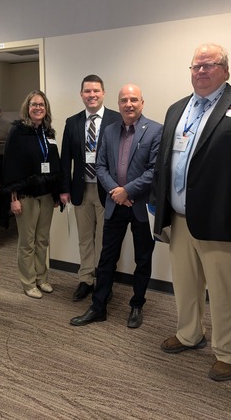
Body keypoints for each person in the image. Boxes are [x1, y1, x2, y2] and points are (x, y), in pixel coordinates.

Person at [149, 43, 231, 381]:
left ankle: (230, 353)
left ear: (225, 70)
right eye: (196, 66)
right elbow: (164, 161)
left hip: (225, 219)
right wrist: (159, 204)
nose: (201, 71)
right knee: (185, 285)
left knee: (225, 293)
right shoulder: (177, 109)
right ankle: (189, 334)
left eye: (209, 65)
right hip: (180, 219)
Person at [70, 84, 162, 328]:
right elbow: (100, 166)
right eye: (124, 100)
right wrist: (116, 191)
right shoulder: (109, 130)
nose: (128, 104)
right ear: (118, 103)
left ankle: (137, 304)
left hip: (141, 206)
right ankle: (98, 306)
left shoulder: (155, 130)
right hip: (114, 203)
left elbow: (154, 170)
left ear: (142, 102)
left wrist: (127, 191)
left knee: (143, 258)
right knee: (107, 258)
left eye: (133, 99)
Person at [60, 75, 122, 302]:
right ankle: (86, 279)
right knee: (85, 238)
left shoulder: (117, 119)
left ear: (103, 93)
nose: (92, 95)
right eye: (87, 91)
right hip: (81, 189)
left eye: (96, 91)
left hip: (108, 190)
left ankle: (104, 281)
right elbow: (65, 159)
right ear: (81, 94)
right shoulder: (72, 122)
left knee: (106, 240)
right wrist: (64, 189)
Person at [2, 90, 61, 299]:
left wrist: (56, 192)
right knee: (27, 241)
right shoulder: (18, 132)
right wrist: (13, 198)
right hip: (25, 194)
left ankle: (42, 279)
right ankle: (28, 282)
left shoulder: (48, 132)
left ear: (46, 108)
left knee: (42, 239)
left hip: (46, 194)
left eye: (41, 105)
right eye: (34, 104)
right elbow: (10, 165)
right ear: (27, 108)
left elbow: (55, 163)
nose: (38, 108)